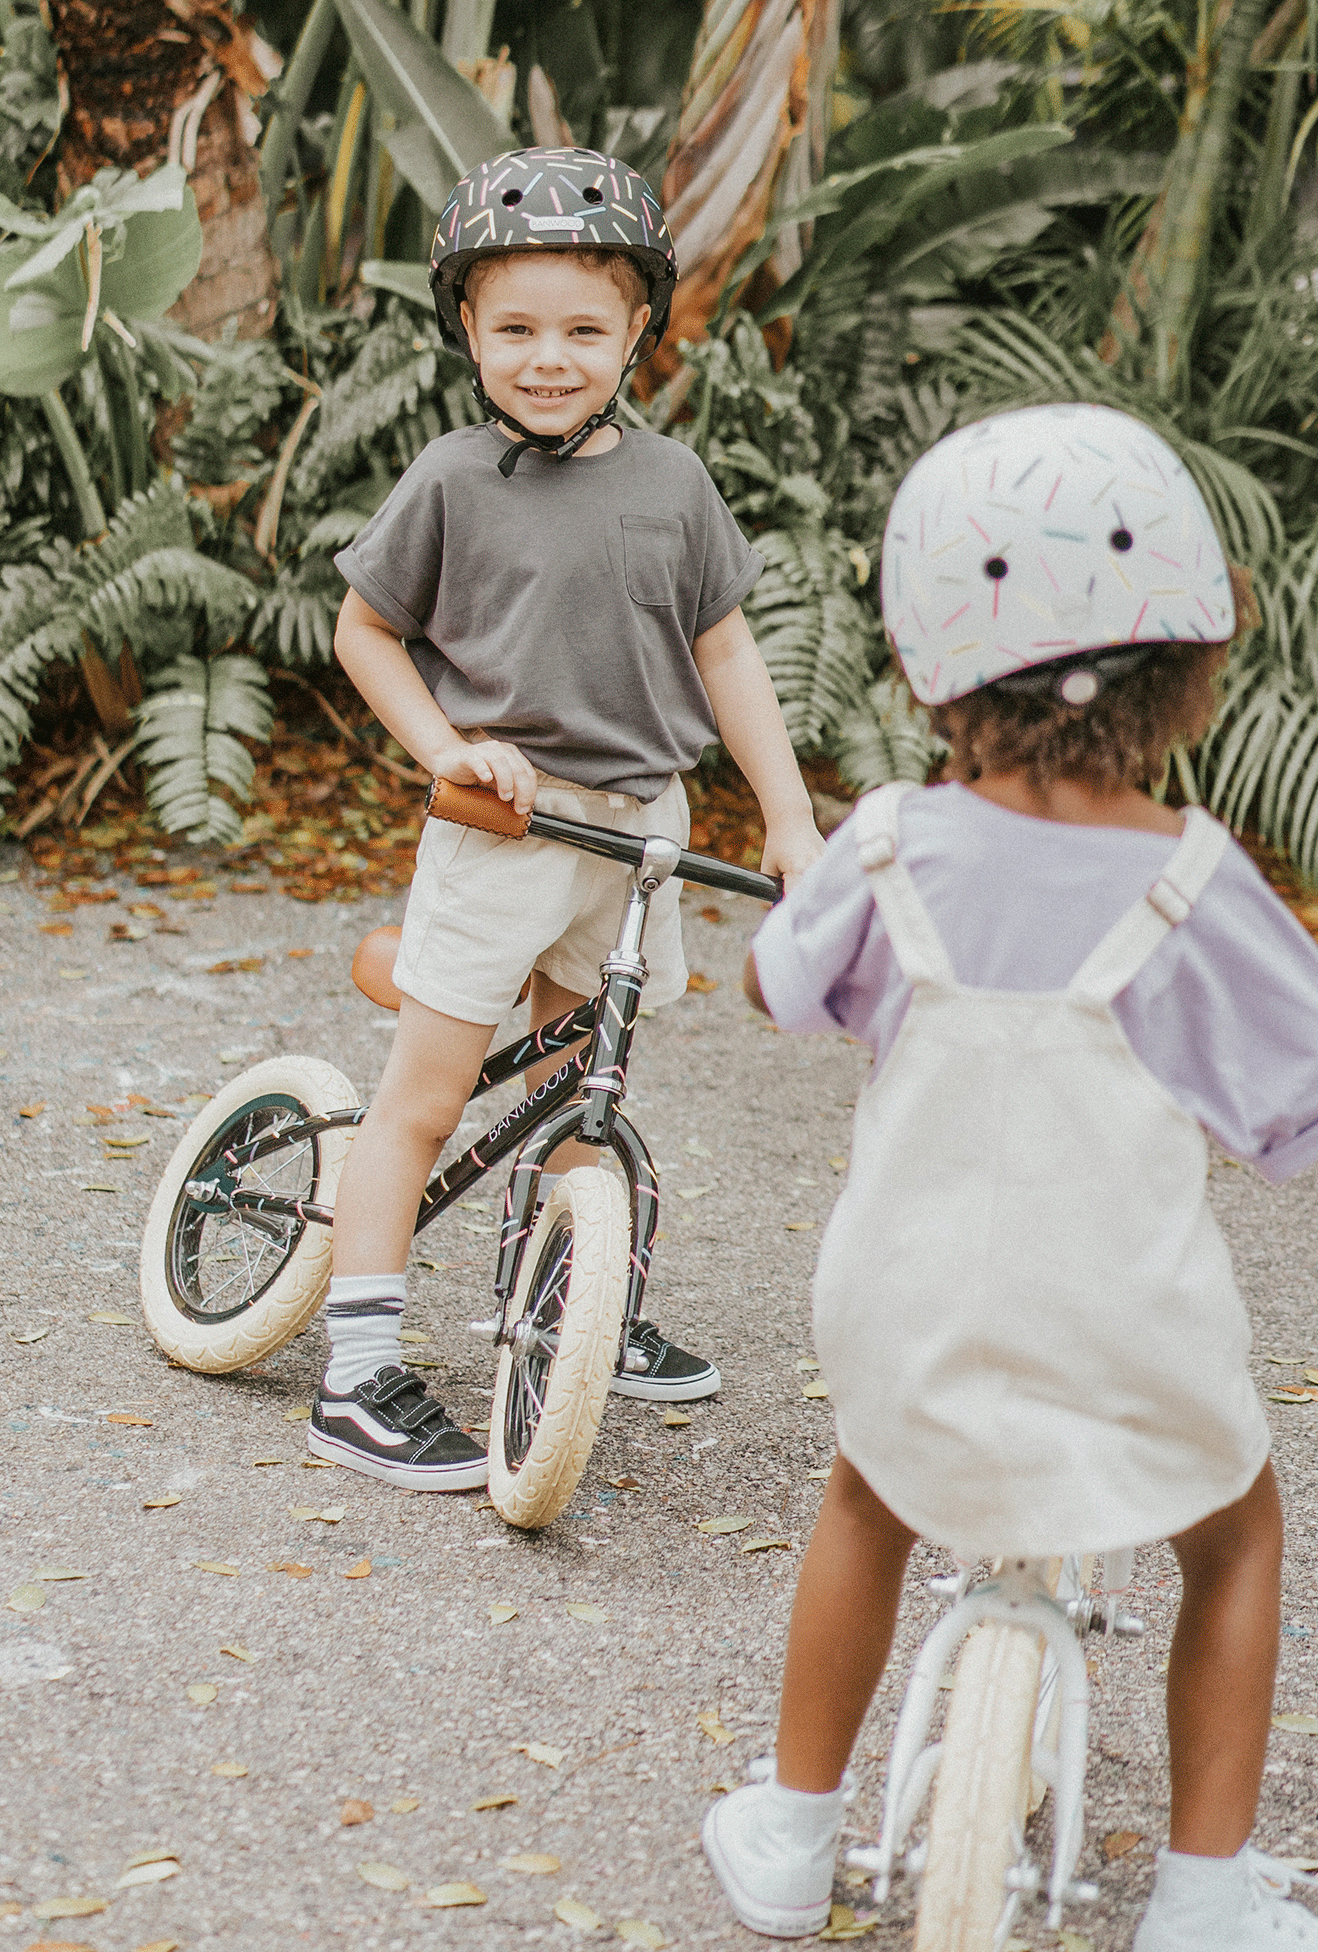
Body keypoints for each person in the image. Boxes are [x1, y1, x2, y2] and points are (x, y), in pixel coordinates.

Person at [703, 403, 1318, 1952]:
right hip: (1128, 1329)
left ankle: (794, 1832)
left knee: (869, 1493)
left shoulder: (888, 847)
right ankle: (1206, 1910)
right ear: (1186, 672)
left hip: (909, 1311)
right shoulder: (1192, 879)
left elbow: (771, 985)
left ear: (927, 667)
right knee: (1231, 1533)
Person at [314, 146, 825, 1491]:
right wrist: (447, 744)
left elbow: (726, 656)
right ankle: (357, 1369)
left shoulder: (672, 488)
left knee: (573, 1088)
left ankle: (573, 1299)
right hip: (507, 825)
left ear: (640, 333)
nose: (551, 357)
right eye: (517, 328)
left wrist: (790, 818)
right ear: (468, 332)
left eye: (584, 330)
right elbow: (364, 631)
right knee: (424, 1100)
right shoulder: (450, 482)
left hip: (637, 827)